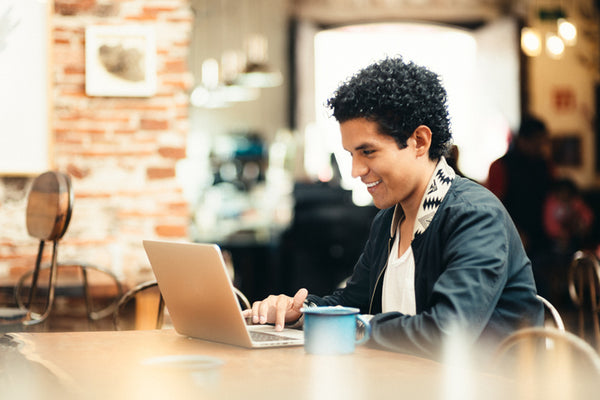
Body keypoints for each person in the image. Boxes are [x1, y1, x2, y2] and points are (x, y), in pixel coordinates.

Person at [243, 57, 543, 361]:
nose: (356, 170)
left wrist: (357, 327)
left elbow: (449, 332)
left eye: (368, 152)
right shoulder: (388, 219)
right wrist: (298, 312)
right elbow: (352, 301)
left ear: (419, 141)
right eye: (350, 155)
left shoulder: (475, 216)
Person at [486, 116, 554, 255]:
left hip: (544, 237)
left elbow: (552, 199)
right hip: (512, 237)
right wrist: (514, 231)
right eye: (537, 141)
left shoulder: (546, 165)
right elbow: (494, 206)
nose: (541, 146)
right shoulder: (500, 166)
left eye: (543, 141)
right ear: (523, 140)